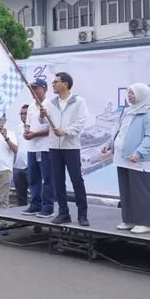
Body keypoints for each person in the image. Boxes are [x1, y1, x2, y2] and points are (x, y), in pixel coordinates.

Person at [101, 83, 150, 234]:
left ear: (141, 95)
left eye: (133, 93)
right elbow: (119, 131)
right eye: (129, 93)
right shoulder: (128, 111)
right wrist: (109, 143)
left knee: (143, 191)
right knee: (127, 190)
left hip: (139, 160)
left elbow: (149, 138)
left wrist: (139, 153)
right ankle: (130, 219)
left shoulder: (149, 114)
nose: (129, 96)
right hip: (122, 157)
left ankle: (146, 223)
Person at [39, 72, 90, 226]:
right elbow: (43, 121)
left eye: (56, 82)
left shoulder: (79, 102)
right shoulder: (51, 103)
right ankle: (63, 212)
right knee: (58, 181)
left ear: (65, 84)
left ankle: (82, 214)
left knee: (76, 180)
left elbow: (81, 123)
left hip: (71, 146)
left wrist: (65, 131)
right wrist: (42, 115)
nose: (53, 84)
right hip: (54, 147)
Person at [21, 81, 54, 219]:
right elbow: (27, 125)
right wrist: (27, 132)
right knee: (34, 178)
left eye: (37, 89)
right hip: (32, 148)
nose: (34, 91)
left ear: (44, 90)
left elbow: (52, 127)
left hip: (45, 148)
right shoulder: (31, 108)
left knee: (47, 179)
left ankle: (48, 207)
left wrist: (35, 134)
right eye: (32, 89)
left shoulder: (50, 105)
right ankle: (35, 204)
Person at [13, 105, 30, 207]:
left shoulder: (36, 127)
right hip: (18, 166)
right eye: (21, 114)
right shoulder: (18, 128)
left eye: (25, 113)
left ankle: (37, 220)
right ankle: (21, 220)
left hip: (30, 165)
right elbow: (15, 146)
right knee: (20, 195)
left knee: (35, 193)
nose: (23, 116)